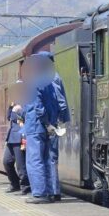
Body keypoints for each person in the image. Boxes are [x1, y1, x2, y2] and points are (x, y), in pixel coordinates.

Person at [23, 54, 61, 204]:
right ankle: (52, 191)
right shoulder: (50, 81)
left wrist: (45, 123)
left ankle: (39, 193)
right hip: (48, 125)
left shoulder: (34, 82)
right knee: (48, 159)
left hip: (36, 126)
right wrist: (51, 124)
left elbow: (37, 107)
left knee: (34, 160)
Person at [38, 51, 71, 202]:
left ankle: (53, 191)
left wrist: (59, 120)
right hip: (51, 121)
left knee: (49, 157)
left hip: (50, 122)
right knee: (49, 157)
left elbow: (61, 101)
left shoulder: (51, 77)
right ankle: (51, 189)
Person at [2, 102, 27, 194]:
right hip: (11, 137)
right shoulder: (15, 103)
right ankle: (14, 183)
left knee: (21, 166)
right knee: (7, 162)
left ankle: (26, 186)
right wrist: (11, 107)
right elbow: (9, 117)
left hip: (20, 137)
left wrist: (19, 110)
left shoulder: (26, 102)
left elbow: (25, 117)